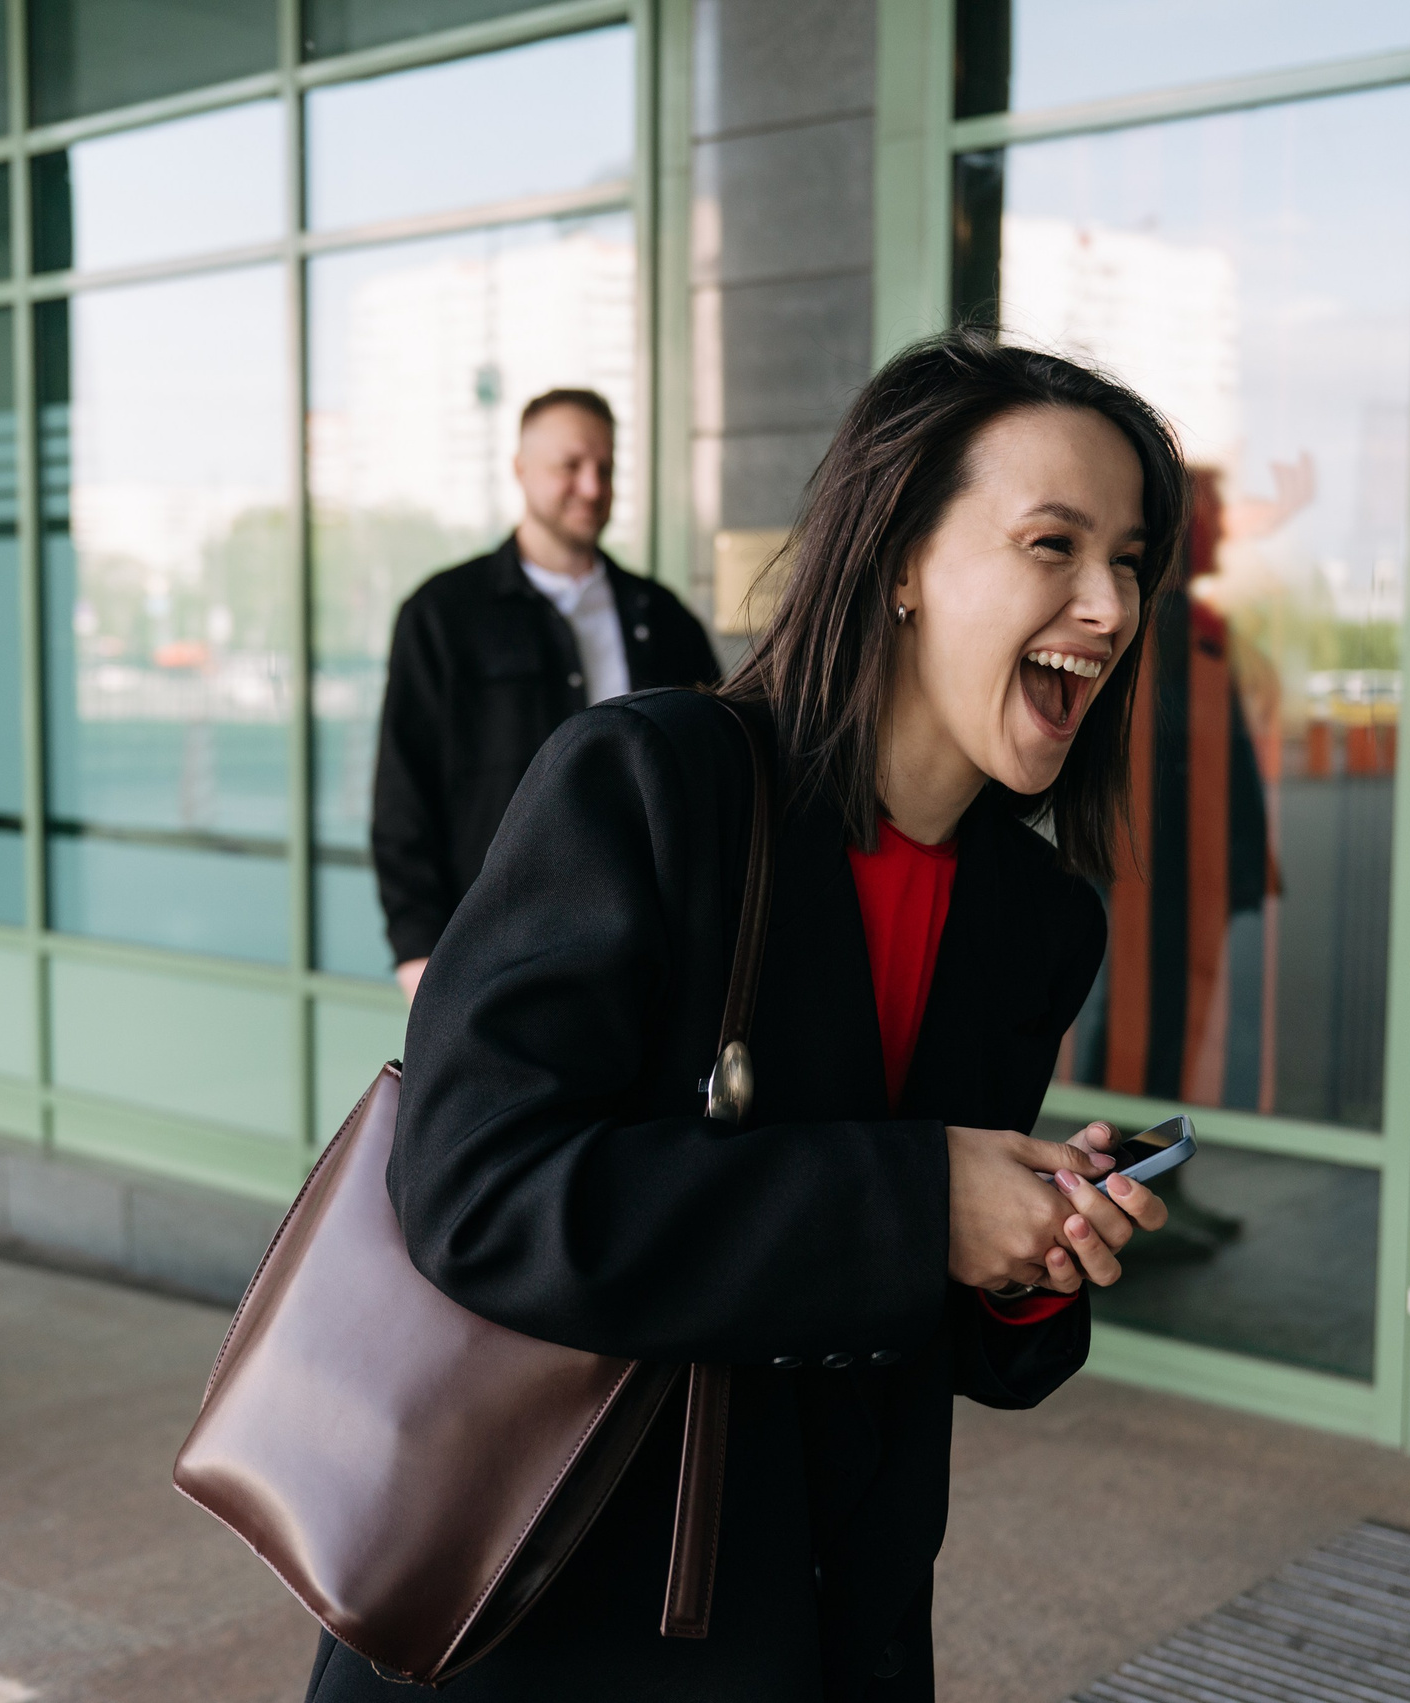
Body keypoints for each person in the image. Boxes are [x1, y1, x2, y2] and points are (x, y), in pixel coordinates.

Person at [307, 333, 1192, 1701]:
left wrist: (1023, 1257)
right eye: (1053, 544)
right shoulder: (653, 788)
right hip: (554, 1615)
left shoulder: (1037, 916)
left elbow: (904, 1309)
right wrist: (917, 1201)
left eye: (1130, 560)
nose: (1110, 604)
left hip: (839, 1620)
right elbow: (477, 1193)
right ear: (900, 557)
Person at [371, 388, 719, 999]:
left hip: (649, 959)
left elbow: (715, 772)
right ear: (521, 469)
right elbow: (404, 795)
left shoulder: (663, 618)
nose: (592, 487)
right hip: (494, 960)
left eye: (605, 469)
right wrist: (417, 953)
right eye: (571, 466)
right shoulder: (443, 616)